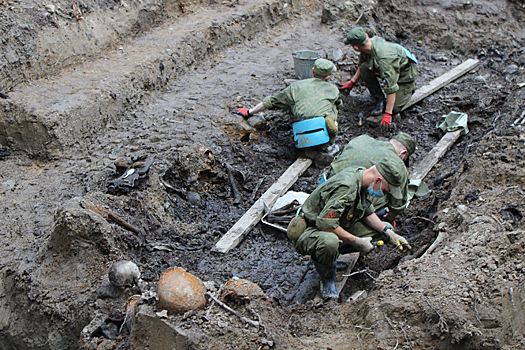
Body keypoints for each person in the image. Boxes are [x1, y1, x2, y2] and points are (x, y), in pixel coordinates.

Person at [292, 158, 411, 298]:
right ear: (378, 180)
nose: (384, 194)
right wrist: (356, 241)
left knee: (383, 231)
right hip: (311, 230)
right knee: (329, 242)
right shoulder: (347, 187)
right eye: (385, 191)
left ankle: (332, 258)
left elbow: (366, 211)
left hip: (334, 223)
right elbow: (325, 224)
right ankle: (328, 278)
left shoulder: (362, 177)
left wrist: (389, 233)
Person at [237, 58, 342, 148]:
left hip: (301, 138)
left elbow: (271, 102)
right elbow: (339, 106)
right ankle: (329, 146)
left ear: (312, 70)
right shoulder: (333, 89)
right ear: (328, 77)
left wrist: (249, 112)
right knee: (333, 107)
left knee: (292, 103)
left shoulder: (295, 87)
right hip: (323, 139)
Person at [327, 132, 416, 224]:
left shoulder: (362, 138)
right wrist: (389, 220)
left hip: (328, 182)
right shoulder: (399, 165)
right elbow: (397, 205)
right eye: (404, 159)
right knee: (391, 191)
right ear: (403, 153)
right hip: (343, 201)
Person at [339, 27, 419, 127]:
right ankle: (379, 99)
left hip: (406, 73)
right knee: (365, 68)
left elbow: (391, 87)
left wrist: (388, 114)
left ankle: (408, 89)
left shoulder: (384, 60)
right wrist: (352, 82)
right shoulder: (367, 46)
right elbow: (362, 65)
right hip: (392, 65)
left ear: (355, 47)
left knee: (394, 108)